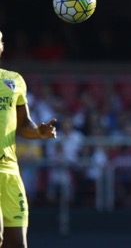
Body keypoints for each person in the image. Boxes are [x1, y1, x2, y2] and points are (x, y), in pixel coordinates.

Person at [0, 30, 57, 247]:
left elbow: (24, 124)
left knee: (17, 243)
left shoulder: (13, 81)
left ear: (2, 47)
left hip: (9, 172)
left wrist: (38, 132)